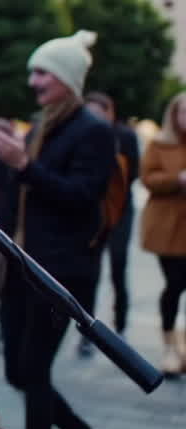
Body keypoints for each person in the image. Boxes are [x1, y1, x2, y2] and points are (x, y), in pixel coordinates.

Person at [0, 30, 126, 429]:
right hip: (20, 266)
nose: (33, 81)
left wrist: (23, 164)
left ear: (67, 76)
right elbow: (25, 193)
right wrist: (6, 164)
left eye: (42, 72)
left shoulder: (93, 131)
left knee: (32, 368)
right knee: (16, 370)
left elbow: (81, 198)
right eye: (32, 72)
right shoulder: (41, 124)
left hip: (60, 271)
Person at [82, 91, 139, 343]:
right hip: (93, 212)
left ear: (110, 112)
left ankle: (121, 321)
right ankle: (88, 327)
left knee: (118, 265)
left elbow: (133, 174)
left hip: (120, 210)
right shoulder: (82, 134)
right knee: (90, 271)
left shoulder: (125, 136)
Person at [137, 91, 186, 375]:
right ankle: (170, 346)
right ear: (173, 114)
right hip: (167, 228)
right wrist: (176, 179)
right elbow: (148, 178)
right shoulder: (159, 143)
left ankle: (180, 345)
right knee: (175, 284)